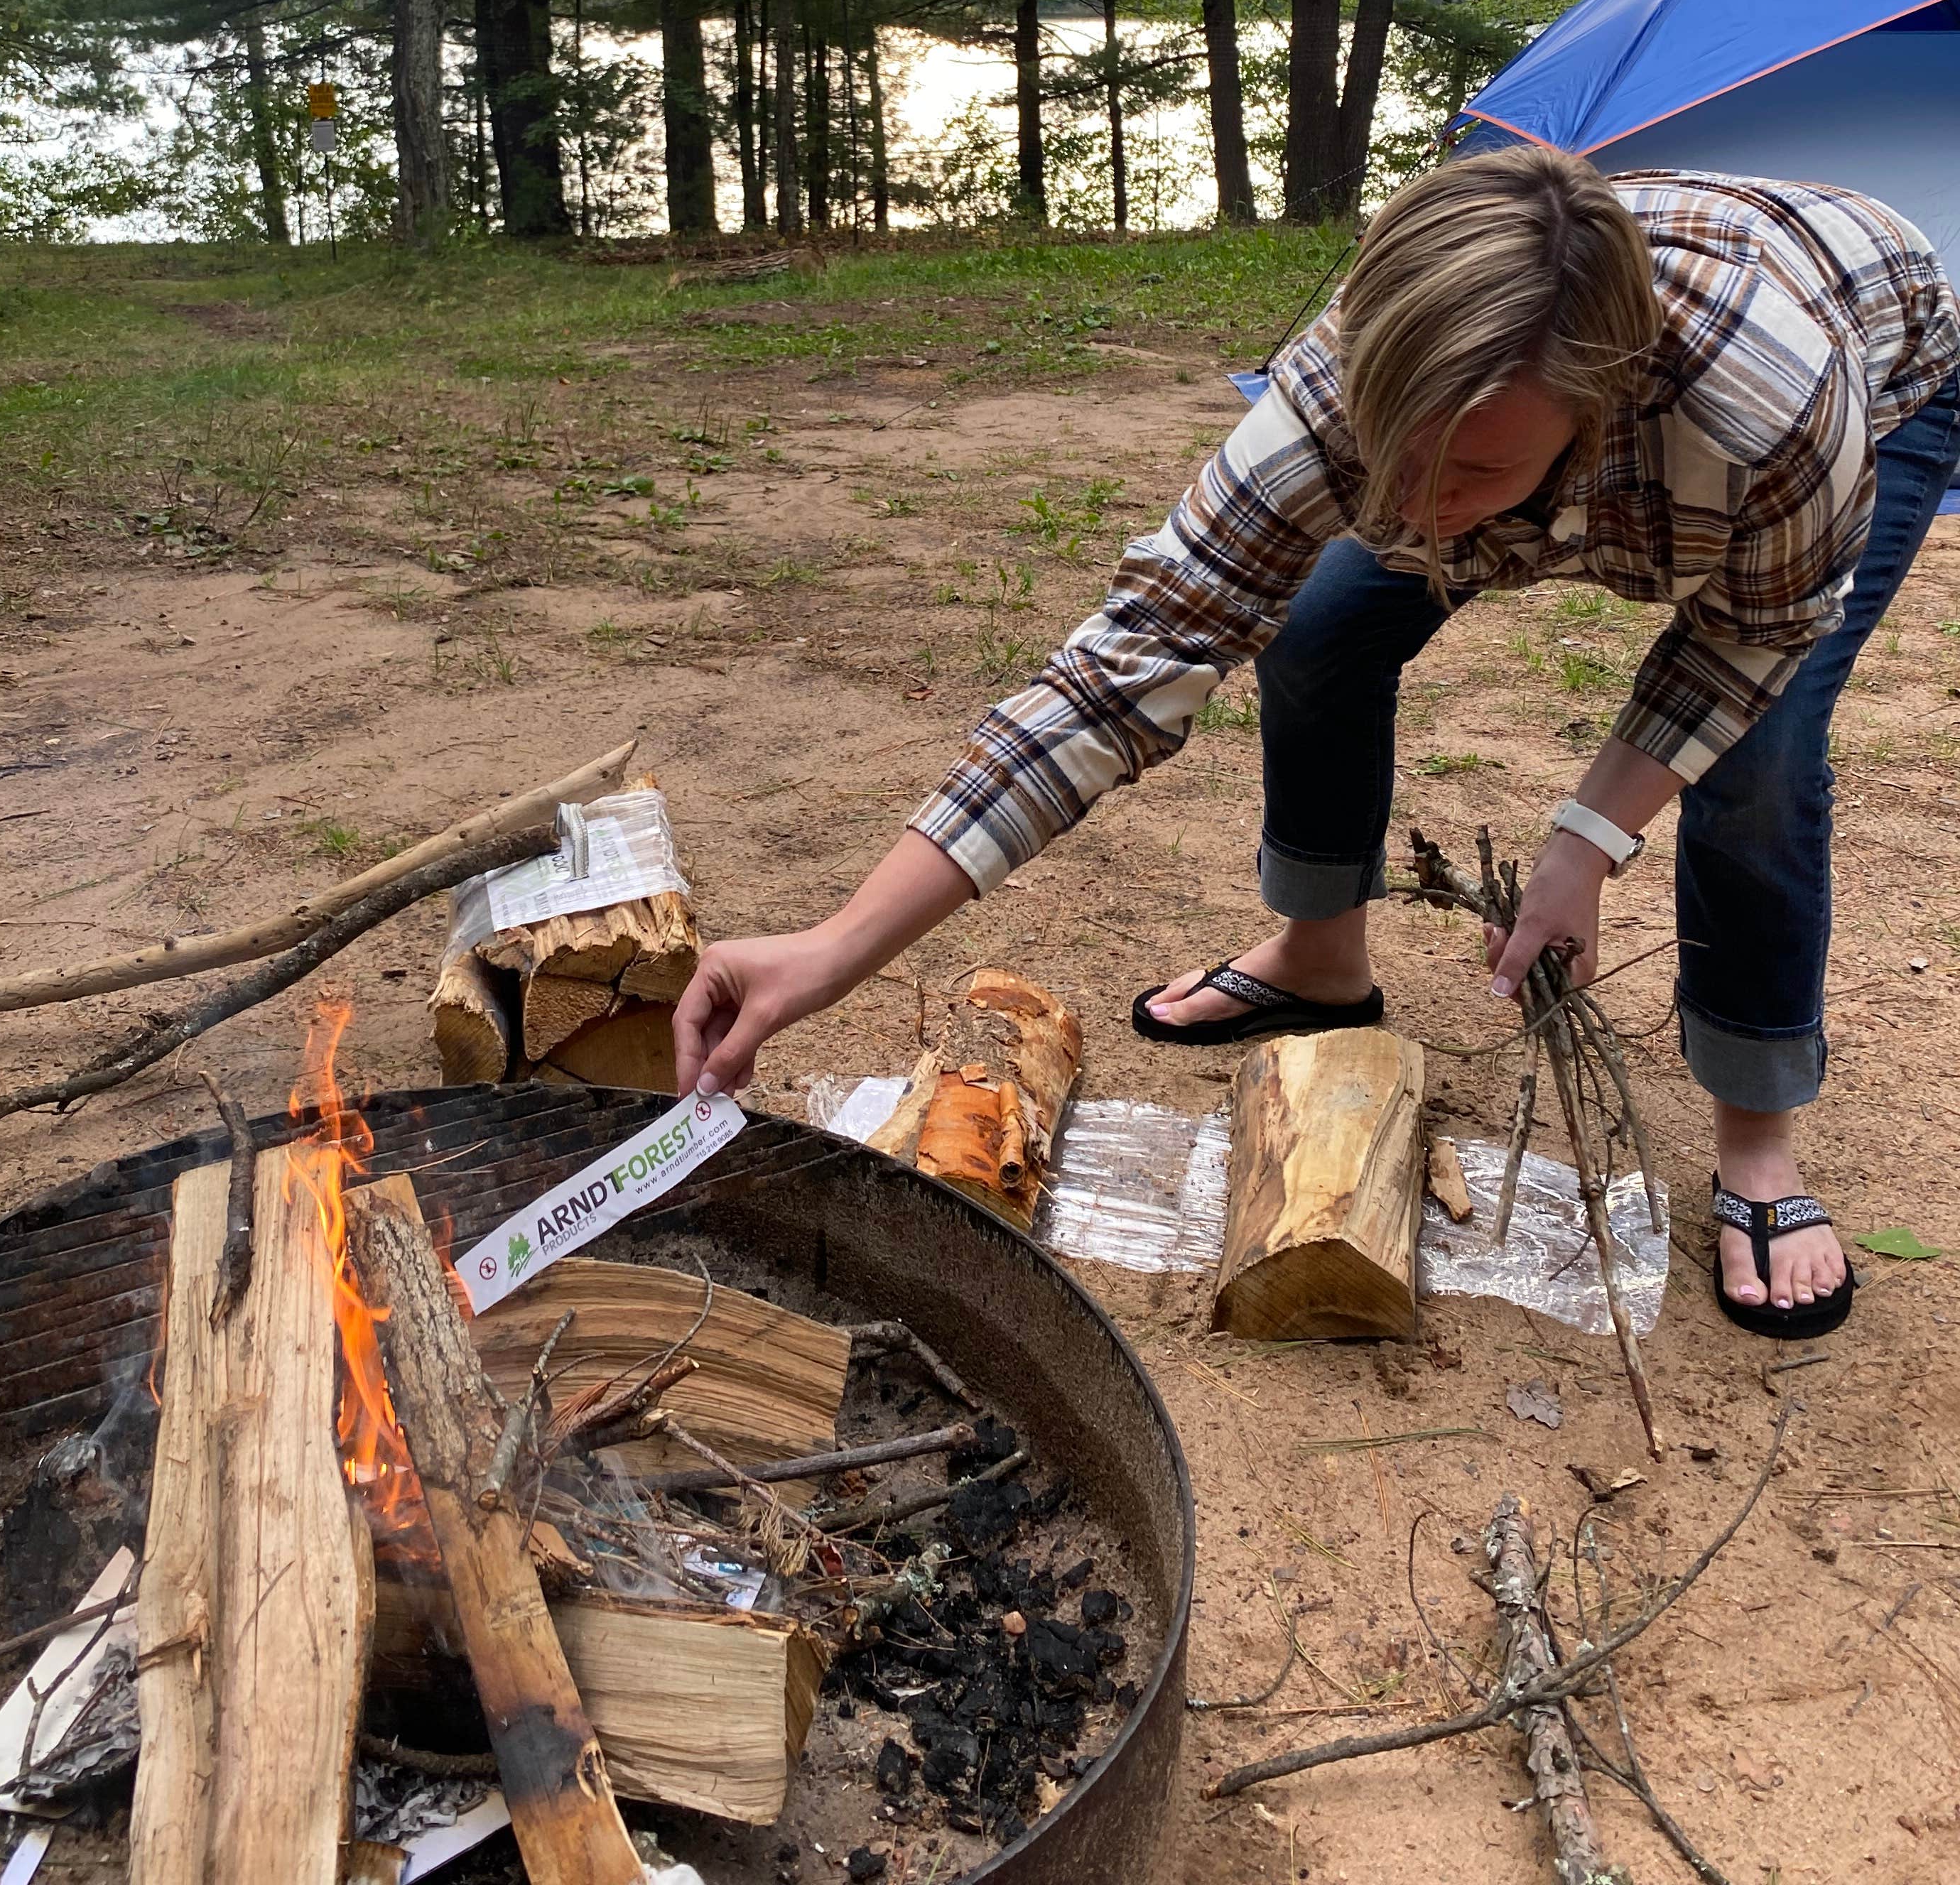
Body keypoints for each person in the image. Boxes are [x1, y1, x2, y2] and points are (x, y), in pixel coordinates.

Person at [673, 150, 1960, 1342]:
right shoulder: (1343, 388)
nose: (1410, 510)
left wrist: (1588, 839)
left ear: (1593, 409)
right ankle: (1319, 953)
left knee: (1762, 760)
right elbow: (1127, 665)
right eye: (1386, 457)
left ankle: (1756, 1133)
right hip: (1580, 375)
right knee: (1320, 620)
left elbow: (1744, 645)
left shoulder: (1771, 414)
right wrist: (837, 947)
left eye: (1465, 473)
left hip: (1887, 359)